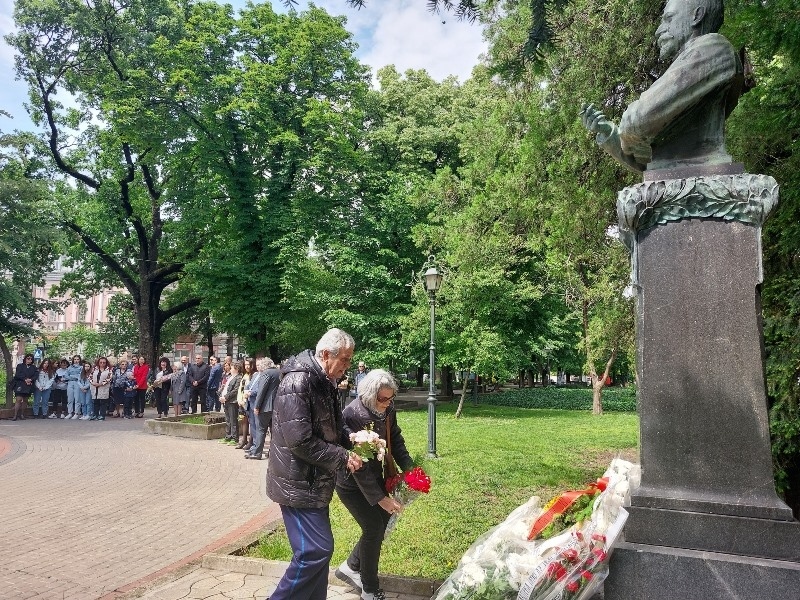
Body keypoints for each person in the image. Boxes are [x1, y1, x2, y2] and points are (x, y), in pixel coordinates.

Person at [580, 0, 744, 173]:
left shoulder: (713, 48)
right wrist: (609, 133)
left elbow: (638, 121)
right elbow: (651, 161)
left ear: (697, 16)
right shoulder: (694, 61)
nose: (659, 31)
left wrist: (630, 129)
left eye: (668, 18)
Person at [266, 328, 362, 600]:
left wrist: (351, 437)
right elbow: (300, 440)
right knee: (314, 551)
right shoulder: (299, 382)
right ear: (324, 354)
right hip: (297, 482)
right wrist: (342, 457)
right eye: (344, 359)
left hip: (312, 481)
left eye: (349, 360)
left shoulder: (324, 380)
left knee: (319, 552)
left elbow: (331, 425)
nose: (347, 365)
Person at [334, 369, 413, 600]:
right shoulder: (353, 415)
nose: (387, 403)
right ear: (369, 396)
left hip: (374, 477)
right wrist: (380, 498)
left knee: (383, 521)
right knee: (373, 528)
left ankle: (350, 566)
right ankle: (369, 588)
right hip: (351, 483)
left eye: (391, 398)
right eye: (382, 399)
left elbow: (394, 438)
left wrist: (409, 469)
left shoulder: (387, 408)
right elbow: (359, 464)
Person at [247, 357, 280, 460]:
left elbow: (261, 391)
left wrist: (257, 406)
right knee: (274, 431)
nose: (259, 368)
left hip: (265, 407)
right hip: (276, 406)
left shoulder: (266, 373)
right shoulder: (278, 372)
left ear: (264, 365)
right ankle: (272, 453)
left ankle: (257, 453)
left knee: (261, 429)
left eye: (260, 365)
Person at [235, 358, 256, 449]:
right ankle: (244, 440)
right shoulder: (245, 375)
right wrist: (239, 399)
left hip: (249, 402)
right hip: (242, 402)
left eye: (249, 364)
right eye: (246, 364)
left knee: (251, 422)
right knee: (244, 421)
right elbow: (241, 388)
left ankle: (251, 441)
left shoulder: (254, 375)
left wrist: (245, 400)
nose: (247, 366)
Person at [11, 353, 37, 421]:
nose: (30, 360)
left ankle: (22, 414)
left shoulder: (34, 367)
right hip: (20, 384)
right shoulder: (20, 366)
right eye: (28, 358)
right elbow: (17, 375)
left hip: (28, 385)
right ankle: (15, 415)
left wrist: (30, 380)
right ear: (25, 359)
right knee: (18, 399)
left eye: (31, 359)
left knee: (25, 400)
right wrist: (25, 379)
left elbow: (35, 375)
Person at [221, 361, 242, 443]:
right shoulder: (231, 377)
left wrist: (226, 397)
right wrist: (221, 396)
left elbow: (235, 390)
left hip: (232, 401)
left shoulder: (238, 378)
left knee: (233, 420)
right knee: (228, 419)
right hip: (226, 401)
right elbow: (225, 388)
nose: (230, 369)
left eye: (232, 368)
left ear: (237, 369)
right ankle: (228, 436)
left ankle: (234, 437)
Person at [64, 354, 83, 419]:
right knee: (70, 399)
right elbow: (66, 376)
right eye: (75, 359)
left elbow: (80, 376)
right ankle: (70, 413)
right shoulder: (69, 367)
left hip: (78, 383)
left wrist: (72, 376)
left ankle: (76, 413)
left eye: (77, 359)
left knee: (77, 398)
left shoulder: (81, 367)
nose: (76, 361)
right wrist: (73, 377)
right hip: (70, 383)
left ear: (80, 360)